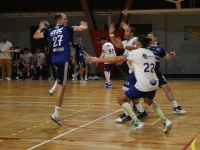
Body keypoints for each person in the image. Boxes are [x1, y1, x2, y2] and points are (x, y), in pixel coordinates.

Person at [87, 35, 172, 133]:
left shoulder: (135, 53)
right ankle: (165, 120)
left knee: (121, 99)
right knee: (149, 101)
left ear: (139, 43)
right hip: (154, 83)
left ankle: (136, 121)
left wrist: (97, 59)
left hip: (143, 85)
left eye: (136, 41)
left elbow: (115, 59)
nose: (135, 43)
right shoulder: (150, 53)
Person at [33, 13, 88, 125]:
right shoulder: (66, 28)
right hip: (63, 60)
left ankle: (52, 91)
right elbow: (81, 29)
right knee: (61, 88)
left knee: (60, 82)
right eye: (65, 18)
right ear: (60, 20)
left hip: (55, 60)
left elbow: (36, 36)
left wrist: (40, 27)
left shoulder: (51, 31)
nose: (67, 20)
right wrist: (84, 25)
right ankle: (56, 114)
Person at [109, 22, 148, 122]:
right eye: (124, 31)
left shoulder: (135, 40)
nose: (124, 33)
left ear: (132, 33)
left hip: (137, 71)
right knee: (132, 93)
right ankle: (141, 111)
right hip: (133, 71)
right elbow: (118, 44)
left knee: (126, 91)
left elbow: (136, 47)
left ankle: (127, 115)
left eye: (127, 31)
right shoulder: (127, 42)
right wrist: (111, 34)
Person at [147, 32, 186, 114]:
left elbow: (167, 58)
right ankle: (137, 108)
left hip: (157, 72)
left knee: (167, 88)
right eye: (148, 37)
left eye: (151, 36)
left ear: (155, 38)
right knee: (144, 94)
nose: (149, 38)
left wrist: (170, 55)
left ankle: (176, 107)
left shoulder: (159, 48)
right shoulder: (144, 48)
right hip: (147, 74)